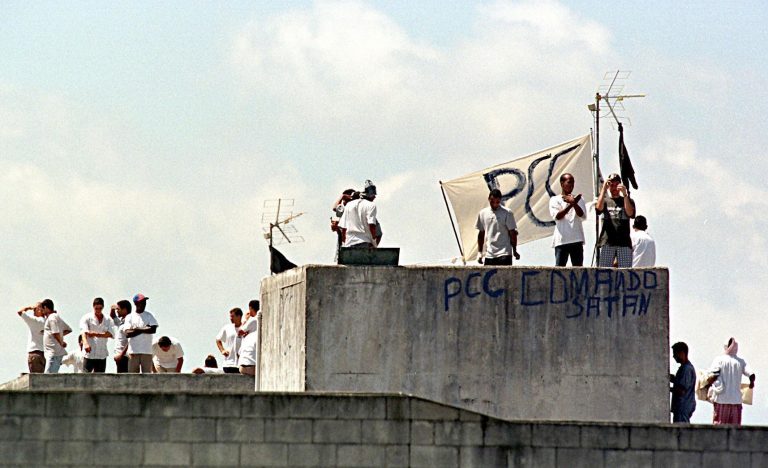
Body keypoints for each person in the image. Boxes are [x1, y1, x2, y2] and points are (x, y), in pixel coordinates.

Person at [706, 337, 756, 426]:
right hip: (736, 401)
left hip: (721, 400)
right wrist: (752, 383)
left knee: (719, 428)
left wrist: (707, 384)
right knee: (735, 429)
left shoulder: (719, 360)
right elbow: (751, 374)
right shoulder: (741, 362)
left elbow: (714, 375)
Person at [596, 173, 636, 267]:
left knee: (625, 271)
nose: (613, 188)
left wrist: (625, 194)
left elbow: (630, 213)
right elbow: (598, 209)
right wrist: (603, 189)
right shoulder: (605, 201)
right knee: (604, 271)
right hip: (607, 241)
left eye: (616, 185)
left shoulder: (628, 200)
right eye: (611, 185)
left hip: (624, 242)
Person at [549, 173, 587, 266]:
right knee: (559, 270)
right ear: (562, 184)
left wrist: (574, 203)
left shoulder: (579, 199)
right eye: (569, 182)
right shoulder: (554, 199)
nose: (571, 185)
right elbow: (558, 216)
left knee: (578, 270)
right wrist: (570, 204)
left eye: (573, 183)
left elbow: (582, 215)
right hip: (562, 241)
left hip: (576, 240)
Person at [476, 189, 520, 265]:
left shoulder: (507, 213)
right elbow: (481, 233)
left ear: (500, 201)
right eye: (492, 202)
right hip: (489, 254)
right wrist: (480, 252)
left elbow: (512, 233)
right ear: (489, 199)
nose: (495, 204)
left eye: (497, 202)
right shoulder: (483, 213)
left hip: (504, 253)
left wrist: (514, 250)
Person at [339, 180, 380, 249]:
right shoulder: (371, 205)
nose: (374, 197)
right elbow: (372, 225)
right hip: (365, 243)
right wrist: (374, 243)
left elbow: (343, 228)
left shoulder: (349, 205)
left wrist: (344, 245)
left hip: (349, 244)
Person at [124, 294, 158, 373]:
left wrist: (136, 329)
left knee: (147, 376)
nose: (144, 304)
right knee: (132, 376)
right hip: (133, 351)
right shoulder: (130, 317)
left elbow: (153, 329)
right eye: (141, 302)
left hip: (147, 351)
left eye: (144, 302)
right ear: (136, 304)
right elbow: (128, 333)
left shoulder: (149, 315)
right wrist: (144, 328)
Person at [79, 297, 115, 373]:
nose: (98, 310)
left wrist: (96, 334)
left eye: (100, 308)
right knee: (85, 378)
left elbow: (111, 334)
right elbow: (84, 332)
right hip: (89, 354)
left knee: (100, 379)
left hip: (101, 354)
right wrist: (85, 344)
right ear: (93, 307)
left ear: (103, 307)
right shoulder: (87, 318)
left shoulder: (108, 319)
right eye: (96, 308)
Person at [41, 299, 72, 373]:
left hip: (53, 354)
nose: (42, 311)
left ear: (45, 307)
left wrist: (61, 342)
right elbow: (67, 330)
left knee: (48, 379)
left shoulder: (52, 317)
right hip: (53, 353)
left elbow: (55, 333)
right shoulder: (55, 317)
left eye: (42, 309)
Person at [670, 342, 696, 423]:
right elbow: (680, 381)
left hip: (682, 407)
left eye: (675, 353)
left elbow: (681, 390)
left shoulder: (686, 369)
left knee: (681, 432)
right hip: (683, 407)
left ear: (682, 353)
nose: (674, 356)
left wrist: (666, 388)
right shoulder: (685, 368)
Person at [17, 302, 47, 373]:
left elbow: (20, 312)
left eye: (35, 309)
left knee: (36, 380)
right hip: (46, 354)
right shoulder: (48, 322)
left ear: (40, 310)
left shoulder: (34, 321)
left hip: (35, 353)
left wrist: (29, 307)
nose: (34, 311)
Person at [216, 308, 244, 374]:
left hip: (241, 363)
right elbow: (218, 339)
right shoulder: (227, 328)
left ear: (239, 316)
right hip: (228, 363)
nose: (231, 318)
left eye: (232, 316)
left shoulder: (246, 327)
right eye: (230, 316)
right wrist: (222, 350)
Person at [331, 188, 357, 259]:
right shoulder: (344, 210)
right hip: (343, 242)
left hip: (351, 241)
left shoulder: (355, 210)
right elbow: (335, 208)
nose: (344, 203)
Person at [112, 300, 132, 373]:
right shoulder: (121, 321)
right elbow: (113, 317)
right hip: (120, 356)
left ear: (124, 310)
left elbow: (131, 340)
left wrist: (121, 354)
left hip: (124, 356)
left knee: (124, 380)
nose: (117, 311)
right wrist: (112, 309)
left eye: (118, 309)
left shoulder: (128, 322)